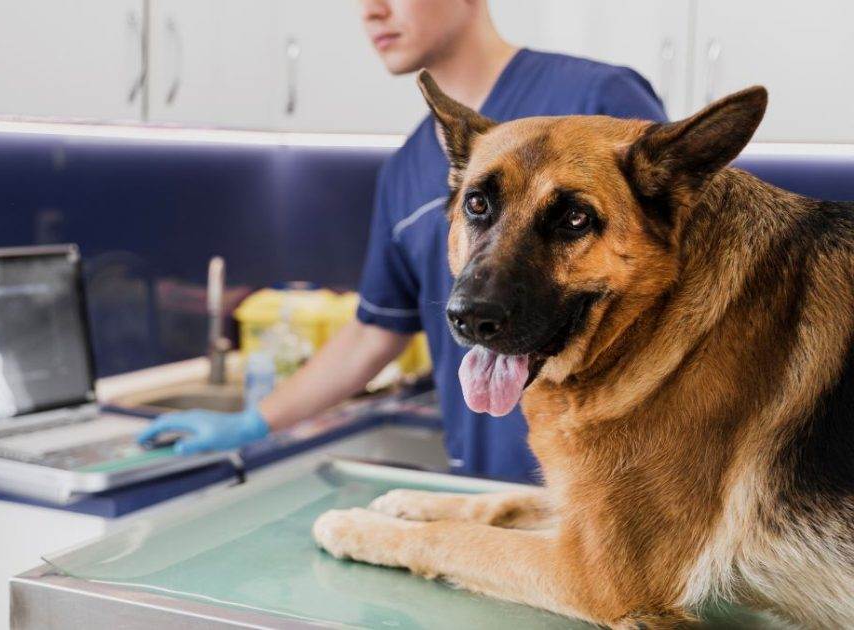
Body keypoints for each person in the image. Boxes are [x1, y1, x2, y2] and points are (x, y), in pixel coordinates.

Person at [138, 0, 667, 483]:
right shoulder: (405, 168)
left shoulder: (598, 100)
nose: (372, 11)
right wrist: (256, 421)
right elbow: (375, 332)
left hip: (614, 485)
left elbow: (686, 276)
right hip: (483, 483)